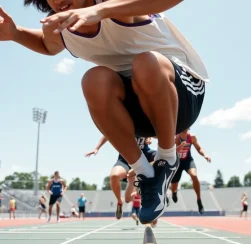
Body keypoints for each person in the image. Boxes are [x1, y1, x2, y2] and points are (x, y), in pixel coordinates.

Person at [1, 0, 208, 224]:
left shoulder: (111, 3)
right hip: (138, 111)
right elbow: (47, 45)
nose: (58, 0)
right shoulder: (56, 26)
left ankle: (167, 159)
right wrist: (15, 33)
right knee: (93, 80)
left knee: (146, 63)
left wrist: (100, 10)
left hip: (181, 96)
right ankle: (145, 174)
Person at [85, 135, 156, 219]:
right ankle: (119, 201)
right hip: (125, 158)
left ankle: (136, 173)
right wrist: (97, 148)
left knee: (162, 157)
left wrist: (149, 136)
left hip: (144, 155)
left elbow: (156, 132)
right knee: (114, 176)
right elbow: (108, 133)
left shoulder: (144, 123)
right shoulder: (124, 122)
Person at [171, 129, 211, 214]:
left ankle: (199, 200)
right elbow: (170, 151)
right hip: (177, 162)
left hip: (187, 161)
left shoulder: (192, 137)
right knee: (174, 187)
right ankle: (174, 192)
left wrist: (205, 155)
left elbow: (199, 148)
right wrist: (180, 145)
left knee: (194, 175)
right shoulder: (175, 137)